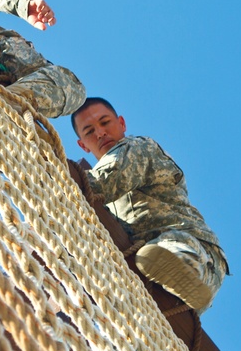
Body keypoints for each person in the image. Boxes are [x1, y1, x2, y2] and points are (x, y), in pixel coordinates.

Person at [72, 97, 228, 313]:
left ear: (122, 123)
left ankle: (183, 270)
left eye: (105, 122)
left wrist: (54, 174)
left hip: (193, 251)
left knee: (161, 252)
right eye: (89, 131)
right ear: (83, 145)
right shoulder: (102, 203)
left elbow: (101, 183)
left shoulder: (137, 148)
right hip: (142, 274)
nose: (100, 133)